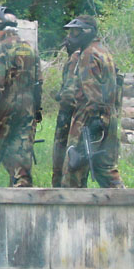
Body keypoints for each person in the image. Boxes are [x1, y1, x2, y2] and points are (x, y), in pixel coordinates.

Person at [0, 7, 42, 187]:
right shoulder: (30, 49)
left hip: (3, 110)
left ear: (0, 30)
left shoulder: (2, 49)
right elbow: (38, 82)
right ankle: (23, 193)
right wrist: (37, 109)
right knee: (21, 157)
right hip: (27, 109)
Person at [61, 15, 126, 188]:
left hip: (89, 118)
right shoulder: (103, 51)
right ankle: (125, 200)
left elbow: (92, 93)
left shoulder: (88, 54)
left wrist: (92, 121)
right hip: (109, 117)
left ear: (86, 32)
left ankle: (72, 205)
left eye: (75, 32)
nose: (71, 36)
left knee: (73, 173)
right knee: (106, 169)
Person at [51, 38, 80, 187]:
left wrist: (63, 100)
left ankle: (59, 188)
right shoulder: (81, 56)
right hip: (76, 114)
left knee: (61, 152)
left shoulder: (75, 58)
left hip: (69, 115)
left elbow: (70, 91)